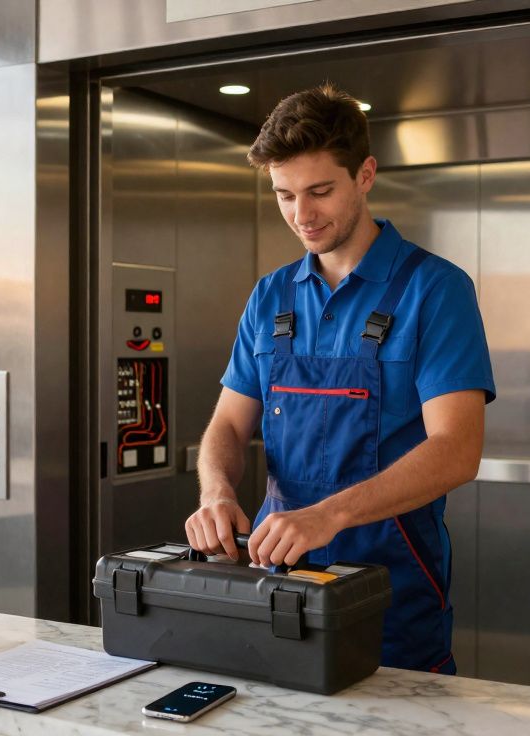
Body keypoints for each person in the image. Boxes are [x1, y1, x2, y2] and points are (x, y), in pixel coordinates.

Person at [184, 83, 495, 674]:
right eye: (285, 195)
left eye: (320, 191)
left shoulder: (435, 290)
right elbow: (227, 424)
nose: (302, 216)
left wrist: (327, 516)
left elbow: (457, 449)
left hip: (391, 597)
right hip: (276, 590)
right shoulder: (270, 296)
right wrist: (216, 493)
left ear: (365, 175)